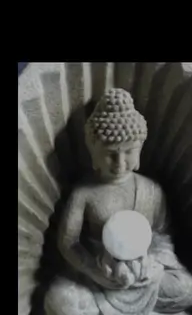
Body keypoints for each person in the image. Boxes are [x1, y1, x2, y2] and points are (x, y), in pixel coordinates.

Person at [45, 88, 192, 314]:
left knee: (186, 288)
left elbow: (162, 237)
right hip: (98, 276)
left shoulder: (151, 190)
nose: (119, 162)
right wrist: (94, 270)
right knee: (59, 300)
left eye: (128, 152)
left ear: (140, 149)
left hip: (143, 276)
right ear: (93, 150)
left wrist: (151, 264)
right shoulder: (84, 193)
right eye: (110, 153)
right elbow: (69, 243)